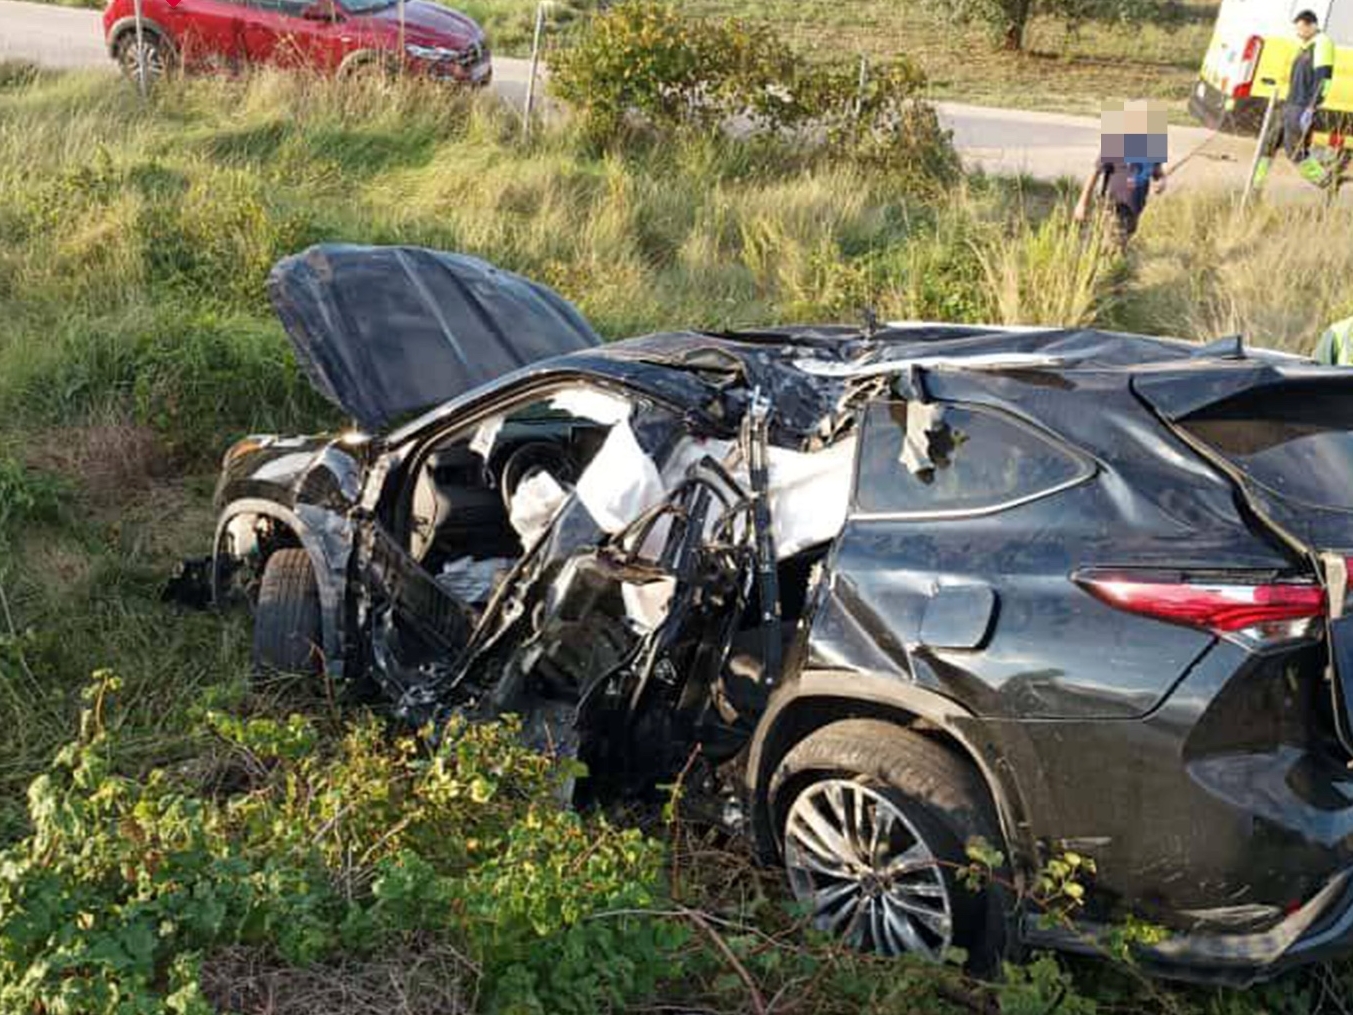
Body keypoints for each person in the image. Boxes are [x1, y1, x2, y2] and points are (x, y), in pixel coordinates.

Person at [1253, 10, 1336, 190]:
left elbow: (1324, 80)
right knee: (1268, 142)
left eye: (1301, 29)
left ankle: (1326, 182)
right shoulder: (1305, 46)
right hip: (1290, 104)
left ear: (1312, 25)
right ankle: (1255, 185)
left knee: (1296, 153)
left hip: (1302, 107)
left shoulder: (1322, 44)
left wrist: (1311, 108)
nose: (1298, 33)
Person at [1073, 154, 1167, 249]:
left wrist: (1161, 182)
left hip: (1135, 209)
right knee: (1113, 245)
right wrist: (1082, 203)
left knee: (1122, 242)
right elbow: (1095, 172)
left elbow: (1158, 172)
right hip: (1114, 206)